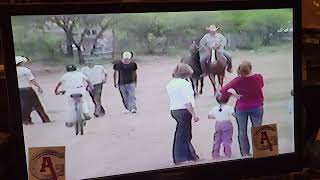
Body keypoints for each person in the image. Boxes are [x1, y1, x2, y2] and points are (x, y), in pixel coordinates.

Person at [218, 61, 264, 157]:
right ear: (250, 68)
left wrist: (233, 95)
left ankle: (245, 153)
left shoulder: (237, 80)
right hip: (257, 106)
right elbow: (261, 85)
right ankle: (260, 151)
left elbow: (223, 90)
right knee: (257, 129)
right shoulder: (258, 77)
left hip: (242, 108)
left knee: (242, 131)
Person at [166, 63, 200, 165]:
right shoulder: (185, 84)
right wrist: (194, 114)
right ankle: (180, 157)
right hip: (183, 110)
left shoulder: (171, 83)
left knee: (184, 134)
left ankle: (191, 155)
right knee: (182, 135)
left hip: (174, 109)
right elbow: (187, 101)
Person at [16, 56, 51, 125]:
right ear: (21, 63)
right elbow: (32, 80)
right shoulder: (25, 70)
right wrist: (39, 87)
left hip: (19, 90)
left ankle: (26, 120)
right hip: (27, 89)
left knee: (24, 105)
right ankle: (45, 119)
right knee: (37, 105)